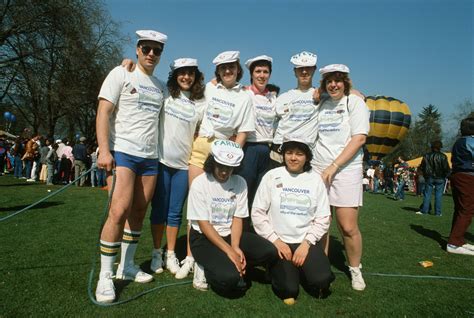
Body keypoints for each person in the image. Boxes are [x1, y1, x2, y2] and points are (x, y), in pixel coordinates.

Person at [94, 29, 168, 303]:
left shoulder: (161, 86)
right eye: (146, 48)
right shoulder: (120, 73)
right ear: (137, 49)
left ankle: (127, 265)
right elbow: (103, 110)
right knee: (118, 210)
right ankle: (105, 276)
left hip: (150, 158)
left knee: (138, 212)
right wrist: (104, 149)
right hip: (123, 152)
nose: (151, 54)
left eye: (156, 50)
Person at [187, 140, 278, 295]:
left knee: (269, 251)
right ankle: (203, 267)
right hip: (204, 238)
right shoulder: (199, 183)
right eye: (221, 166)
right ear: (212, 163)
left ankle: (232, 263)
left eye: (229, 168)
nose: (224, 172)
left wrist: (235, 247)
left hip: (230, 235)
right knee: (230, 280)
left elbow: (237, 218)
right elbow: (204, 224)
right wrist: (229, 251)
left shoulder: (240, 182)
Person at [252, 137, 334, 305]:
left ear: (307, 157)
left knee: (321, 282)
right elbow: (258, 213)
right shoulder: (272, 176)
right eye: (289, 153)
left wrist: (306, 244)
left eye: (299, 154)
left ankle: (301, 269)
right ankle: (276, 268)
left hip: (305, 243)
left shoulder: (316, 179)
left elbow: (323, 217)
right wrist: (276, 241)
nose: (293, 158)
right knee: (288, 290)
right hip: (279, 244)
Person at [312, 64, 370, 291]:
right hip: (319, 168)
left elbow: (359, 139)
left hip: (346, 170)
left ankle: (355, 269)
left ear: (346, 82)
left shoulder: (354, 102)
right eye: (329, 81)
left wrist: (334, 166)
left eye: (338, 80)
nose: (333, 84)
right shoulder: (322, 103)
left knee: (347, 226)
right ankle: (320, 267)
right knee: (321, 223)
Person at [149, 58, 206, 279]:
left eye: (191, 73)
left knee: (174, 213)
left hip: (184, 166)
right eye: (182, 73)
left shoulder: (200, 103)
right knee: (158, 211)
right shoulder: (165, 94)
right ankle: (156, 253)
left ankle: (170, 253)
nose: (186, 77)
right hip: (162, 162)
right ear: (175, 76)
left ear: (195, 77)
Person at [188, 50, 255, 185]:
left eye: (231, 67)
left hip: (223, 150)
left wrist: (233, 155)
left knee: (216, 198)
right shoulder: (210, 88)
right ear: (218, 71)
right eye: (223, 68)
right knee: (196, 195)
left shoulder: (246, 96)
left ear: (238, 70)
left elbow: (244, 130)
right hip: (200, 148)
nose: (228, 71)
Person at [237, 55, 277, 219]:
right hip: (248, 148)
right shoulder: (243, 92)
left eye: (265, 72)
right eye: (258, 71)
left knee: (261, 198)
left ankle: (255, 235)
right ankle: (239, 235)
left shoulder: (273, 97)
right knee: (244, 195)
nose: (262, 75)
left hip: (266, 151)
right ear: (251, 74)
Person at [271, 51, 319, 168]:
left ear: (314, 70)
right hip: (279, 152)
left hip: (304, 154)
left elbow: (347, 92)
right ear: (294, 72)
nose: (304, 72)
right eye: (300, 68)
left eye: (308, 68)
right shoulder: (283, 97)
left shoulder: (322, 95)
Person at [446, 115, 474, 255]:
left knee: (460, 208)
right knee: (467, 210)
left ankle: (457, 238)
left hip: (458, 175)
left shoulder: (459, 142)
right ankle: (454, 242)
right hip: (468, 177)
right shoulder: (471, 141)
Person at [417, 140, 450, 216]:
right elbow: (446, 168)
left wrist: (424, 175)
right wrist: (446, 175)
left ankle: (425, 211)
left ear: (432, 147)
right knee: (438, 196)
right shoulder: (443, 156)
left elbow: (422, 166)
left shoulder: (426, 156)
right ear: (440, 147)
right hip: (440, 178)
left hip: (429, 177)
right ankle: (438, 213)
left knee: (427, 194)